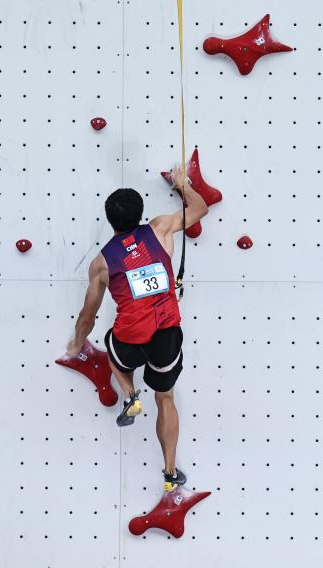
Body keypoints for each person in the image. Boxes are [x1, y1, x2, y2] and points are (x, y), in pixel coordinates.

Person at [65, 167, 208, 491]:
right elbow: (200, 209)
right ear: (140, 213)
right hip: (166, 334)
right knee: (166, 397)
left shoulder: (101, 263)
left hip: (130, 336)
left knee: (113, 349)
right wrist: (181, 184)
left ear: (109, 219)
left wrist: (76, 344)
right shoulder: (160, 228)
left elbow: (88, 316)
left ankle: (130, 394)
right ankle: (169, 474)